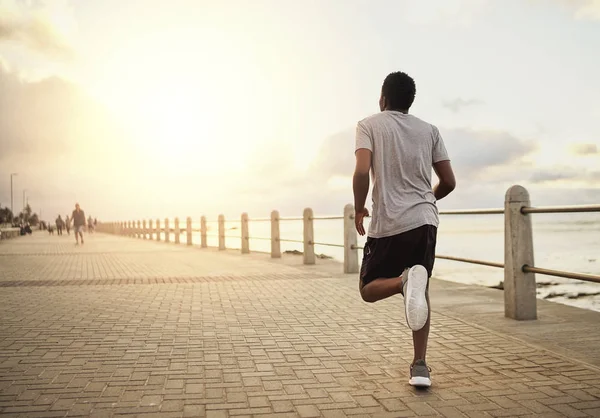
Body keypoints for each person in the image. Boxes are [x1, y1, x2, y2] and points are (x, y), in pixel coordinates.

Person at [353, 71, 456, 388]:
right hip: (424, 220)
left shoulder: (368, 125)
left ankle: (400, 282)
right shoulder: (430, 131)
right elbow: (449, 182)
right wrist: (425, 201)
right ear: (410, 102)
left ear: (382, 99)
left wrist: (359, 208)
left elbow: (361, 171)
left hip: (389, 222)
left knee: (369, 289)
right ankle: (420, 367)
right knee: (420, 292)